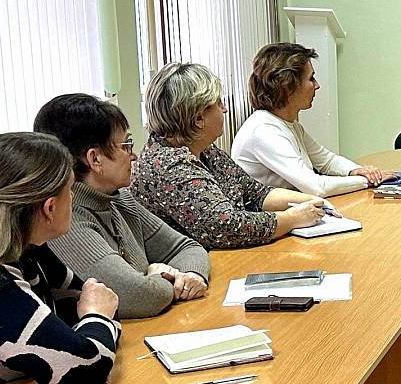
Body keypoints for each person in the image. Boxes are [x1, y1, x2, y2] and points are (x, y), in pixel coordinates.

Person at [0, 132, 121, 384]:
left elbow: (92, 303)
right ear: (50, 207)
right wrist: (97, 317)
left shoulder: (27, 251)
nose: (74, 197)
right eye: (69, 189)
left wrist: (95, 319)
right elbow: (88, 370)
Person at [35, 93, 211, 319]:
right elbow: (138, 297)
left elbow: (187, 247)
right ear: (95, 159)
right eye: (126, 146)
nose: (134, 156)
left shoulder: (119, 199)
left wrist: (189, 276)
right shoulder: (65, 222)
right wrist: (162, 277)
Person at [131, 63, 327, 250]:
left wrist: (313, 202)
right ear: (198, 118)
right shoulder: (169, 166)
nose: (224, 109)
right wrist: (293, 218)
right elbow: (227, 227)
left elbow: (256, 193)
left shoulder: (205, 150)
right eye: (218, 103)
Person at [232, 42, 395, 197]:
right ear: (288, 86)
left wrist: (358, 170)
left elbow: (327, 161)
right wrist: (366, 181)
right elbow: (315, 187)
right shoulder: (263, 131)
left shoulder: (288, 125)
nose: (317, 85)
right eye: (311, 79)